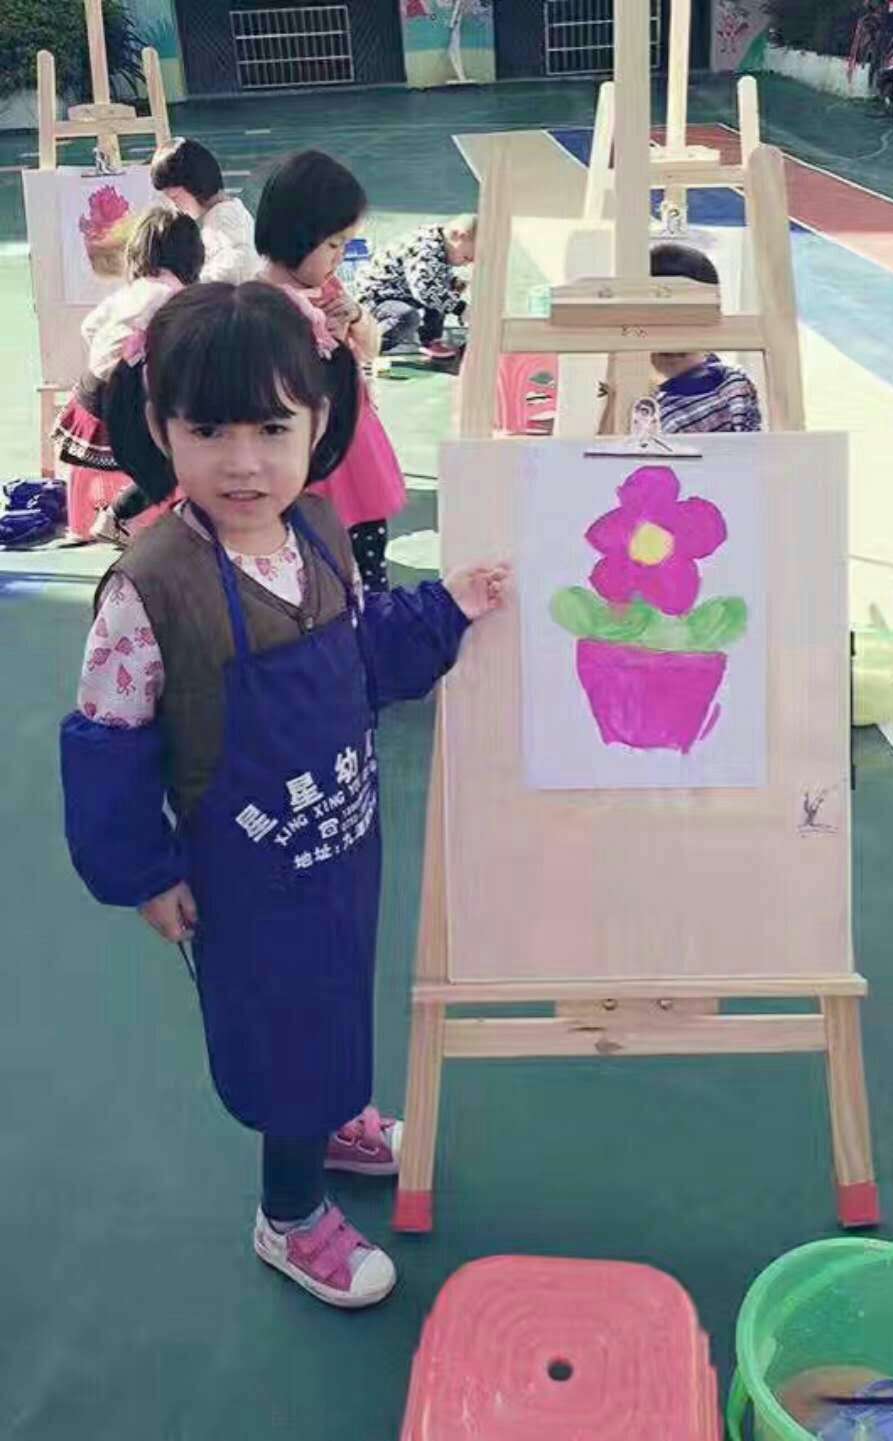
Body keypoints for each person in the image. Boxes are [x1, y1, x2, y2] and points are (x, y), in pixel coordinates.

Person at [60, 281, 508, 1308]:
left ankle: (333, 1117)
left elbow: (361, 656)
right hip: (242, 875)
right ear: (159, 428)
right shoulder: (148, 586)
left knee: (339, 995)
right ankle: (290, 1213)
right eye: (208, 430)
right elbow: (107, 746)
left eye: (271, 428)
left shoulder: (317, 533)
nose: (243, 462)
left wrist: (449, 607)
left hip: (341, 847)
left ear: (319, 421)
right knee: (281, 1034)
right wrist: (147, 872)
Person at [256, 150, 405, 594]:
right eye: (334, 244)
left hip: (355, 451)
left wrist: (356, 317)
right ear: (298, 235)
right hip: (307, 464)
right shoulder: (257, 305)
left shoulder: (329, 287)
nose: (341, 256)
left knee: (370, 566)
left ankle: (370, 623)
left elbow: (372, 348)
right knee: (312, 574)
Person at [52, 205, 204, 546]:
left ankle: (84, 522)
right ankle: (119, 518)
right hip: (124, 403)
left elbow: (89, 327)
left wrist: (113, 357)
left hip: (89, 392)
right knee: (180, 452)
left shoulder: (130, 292)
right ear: (193, 256)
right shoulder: (176, 297)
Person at [649, 243, 762, 434]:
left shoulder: (734, 386)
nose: (676, 331)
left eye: (686, 316)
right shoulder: (734, 385)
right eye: (661, 316)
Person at [357, 214, 475, 360]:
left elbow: (432, 275)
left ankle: (431, 339)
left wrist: (453, 281)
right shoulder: (425, 249)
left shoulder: (444, 243)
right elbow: (425, 291)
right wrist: (461, 308)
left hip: (404, 291)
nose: (466, 264)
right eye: (466, 258)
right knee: (407, 317)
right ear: (459, 236)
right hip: (379, 296)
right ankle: (365, 346)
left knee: (442, 293)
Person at [150, 136, 259, 284]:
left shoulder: (225, 218)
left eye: (175, 197)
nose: (174, 205)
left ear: (194, 185)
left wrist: (190, 285)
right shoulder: (223, 213)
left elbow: (240, 265)